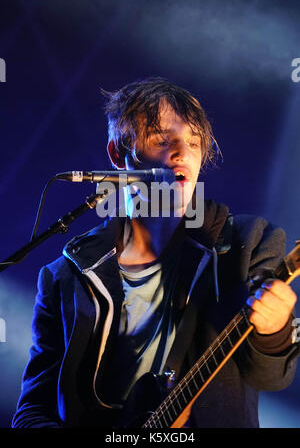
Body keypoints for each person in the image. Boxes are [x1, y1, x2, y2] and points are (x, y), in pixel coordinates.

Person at [12, 77, 299, 428]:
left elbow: (272, 378)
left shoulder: (247, 243)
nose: (182, 154)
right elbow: (32, 411)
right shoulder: (66, 276)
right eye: (163, 139)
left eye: (193, 142)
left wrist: (274, 330)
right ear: (118, 153)